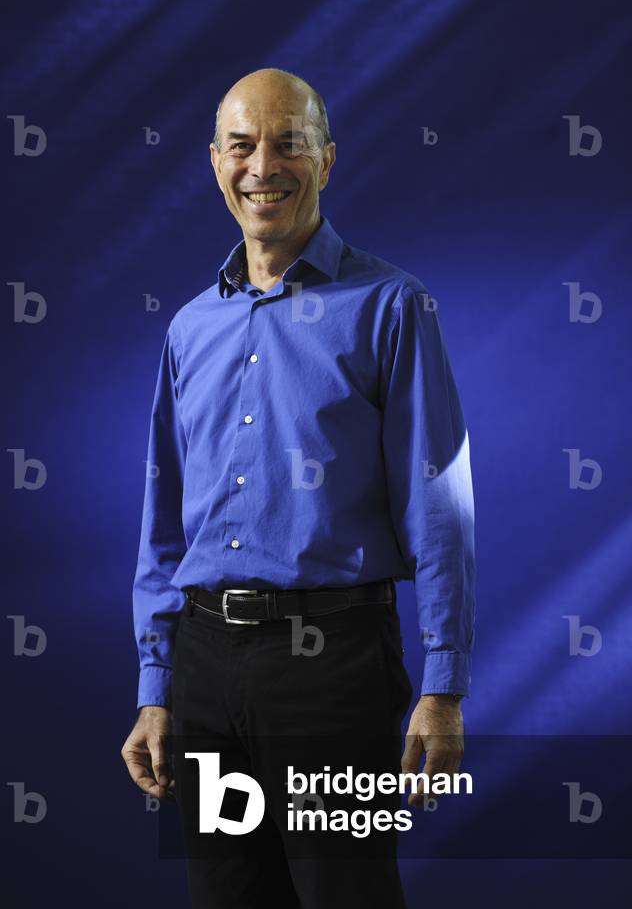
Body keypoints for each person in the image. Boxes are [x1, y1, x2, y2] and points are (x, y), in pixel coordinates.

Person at [121, 67, 476, 908]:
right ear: (215, 163)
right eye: (242, 145)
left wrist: (444, 684)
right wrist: (155, 686)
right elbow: (164, 521)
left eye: (289, 142)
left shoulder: (391, 306)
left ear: (327, 159)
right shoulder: (189, 326)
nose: (263, 165)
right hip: (205, 672)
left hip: (334, 669)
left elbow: (440, 504)